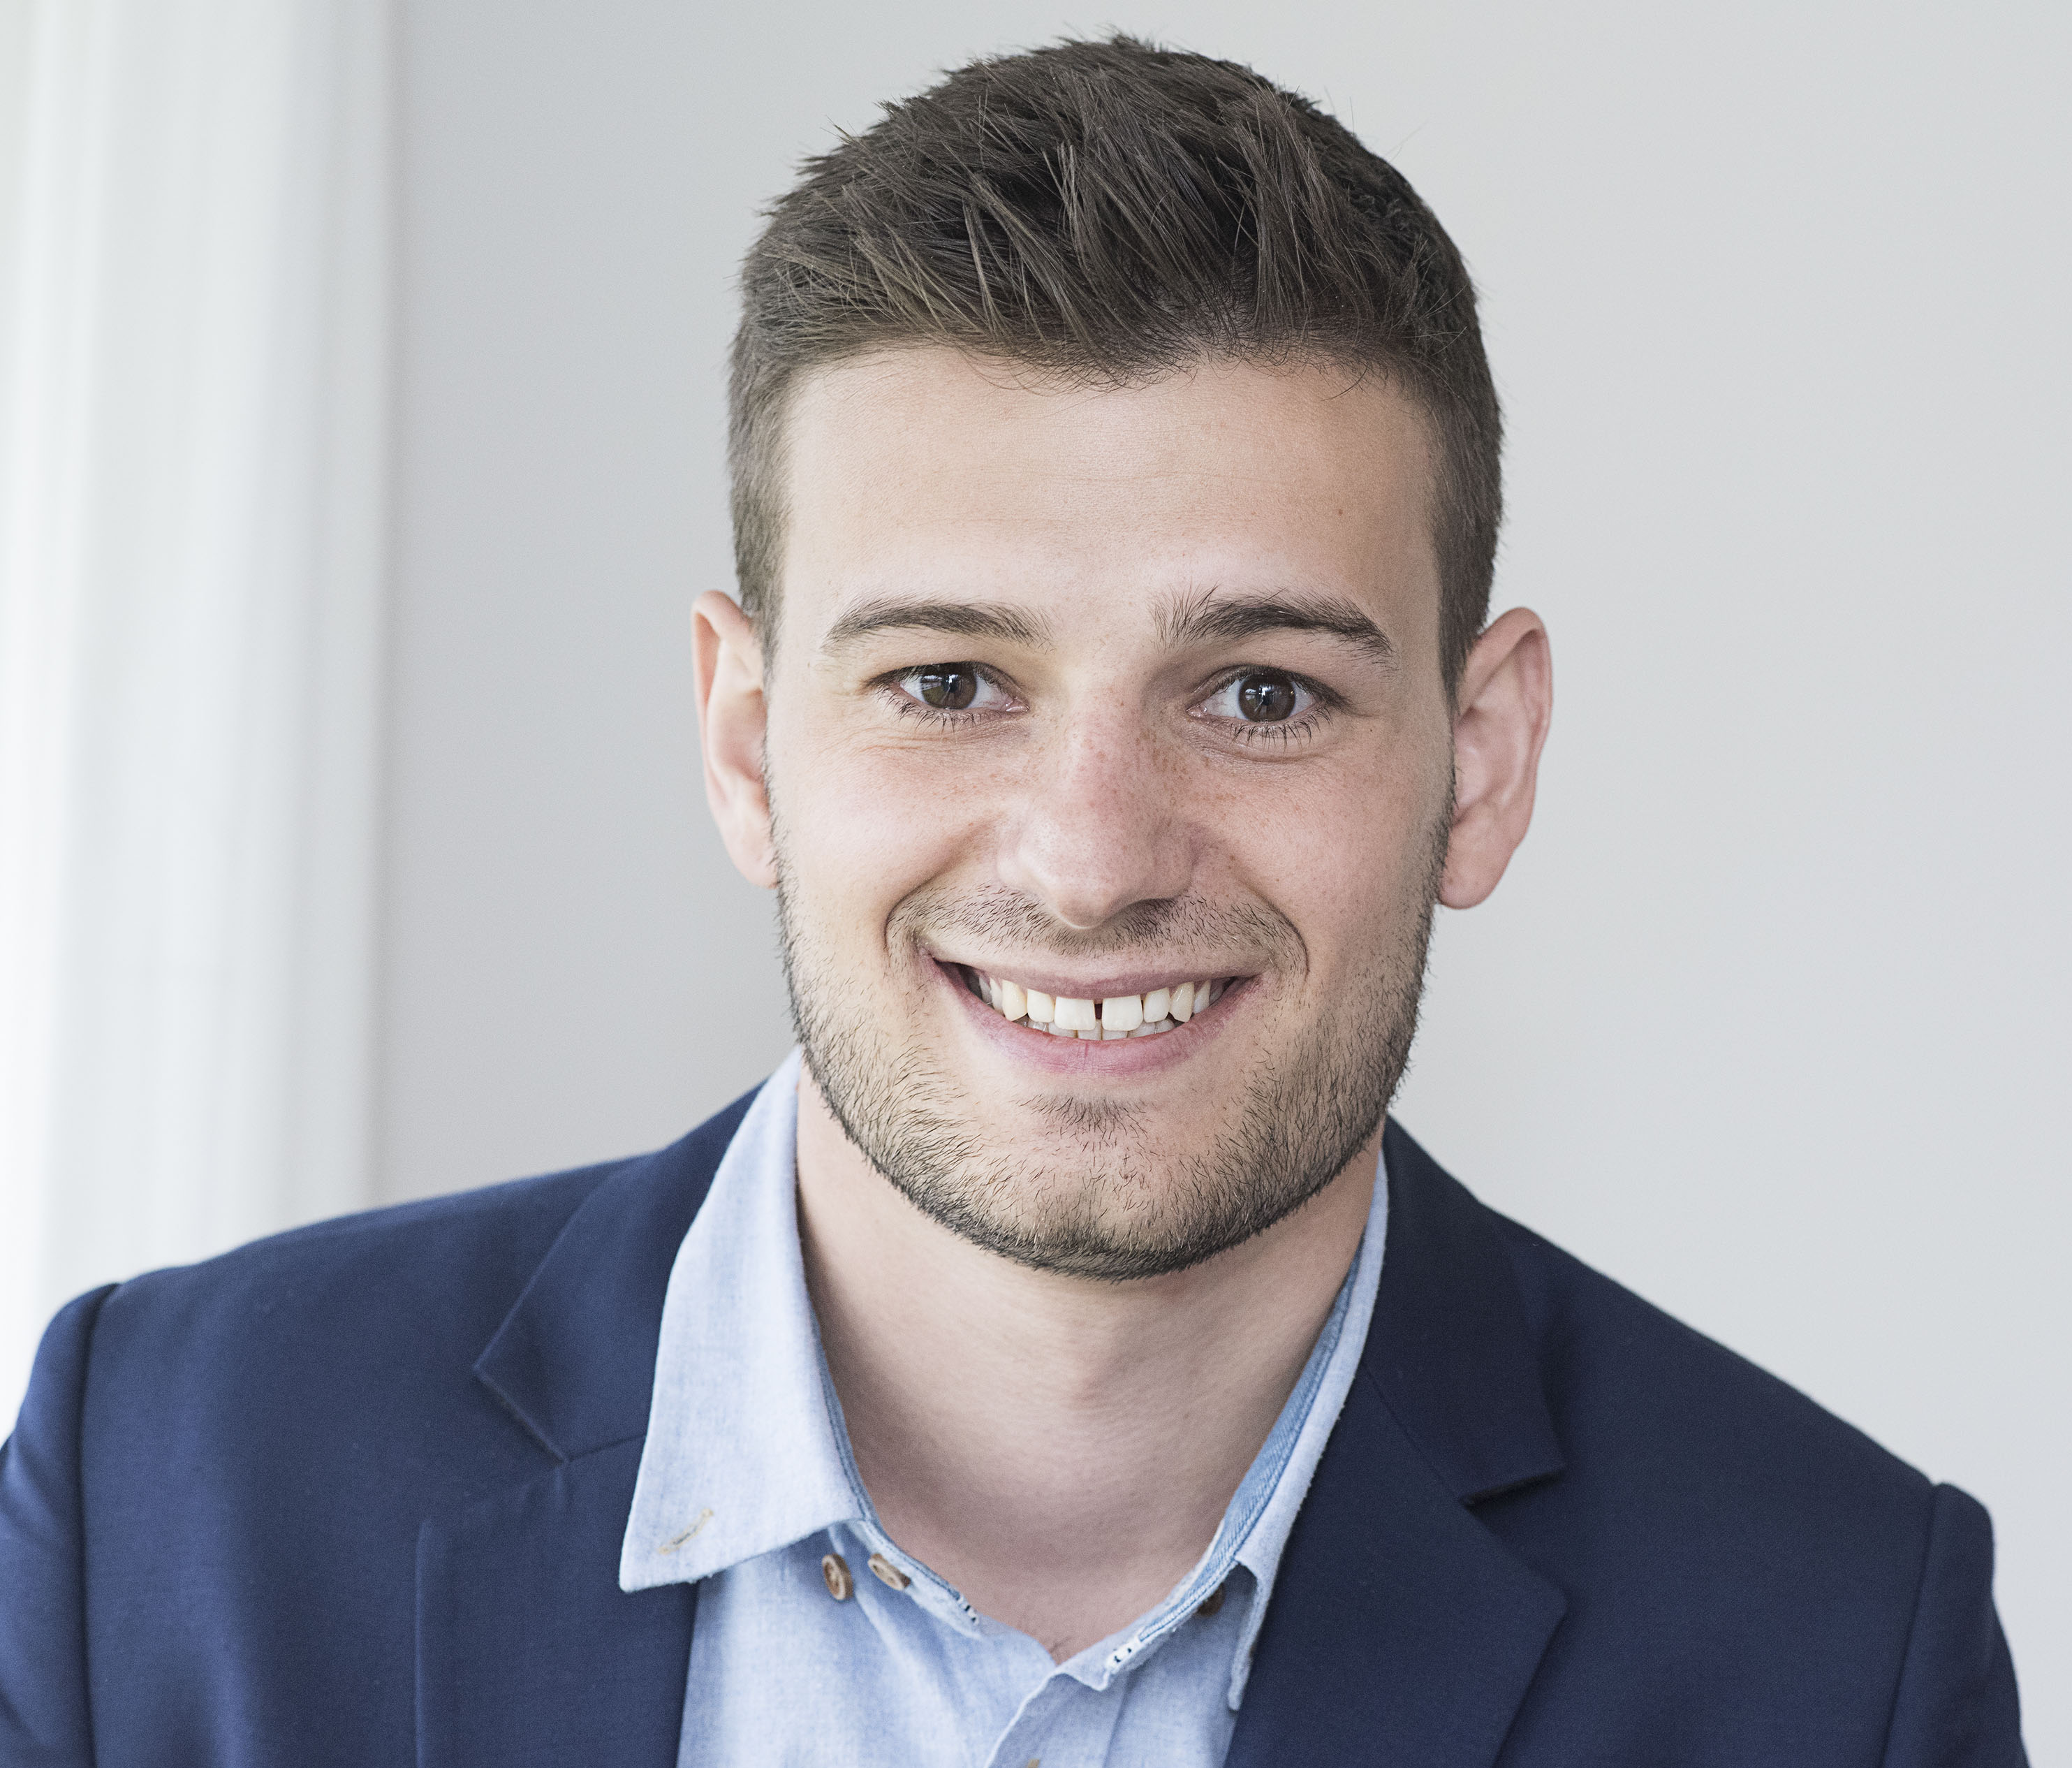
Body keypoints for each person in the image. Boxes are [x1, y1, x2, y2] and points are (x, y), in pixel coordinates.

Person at [0, 35, 2027, 1768]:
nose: (1092, 856)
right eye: (949, 682)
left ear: (1480, 764)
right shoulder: (169, 1491)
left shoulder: (1836, 1653)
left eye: (1259, 693)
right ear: (745, 744)